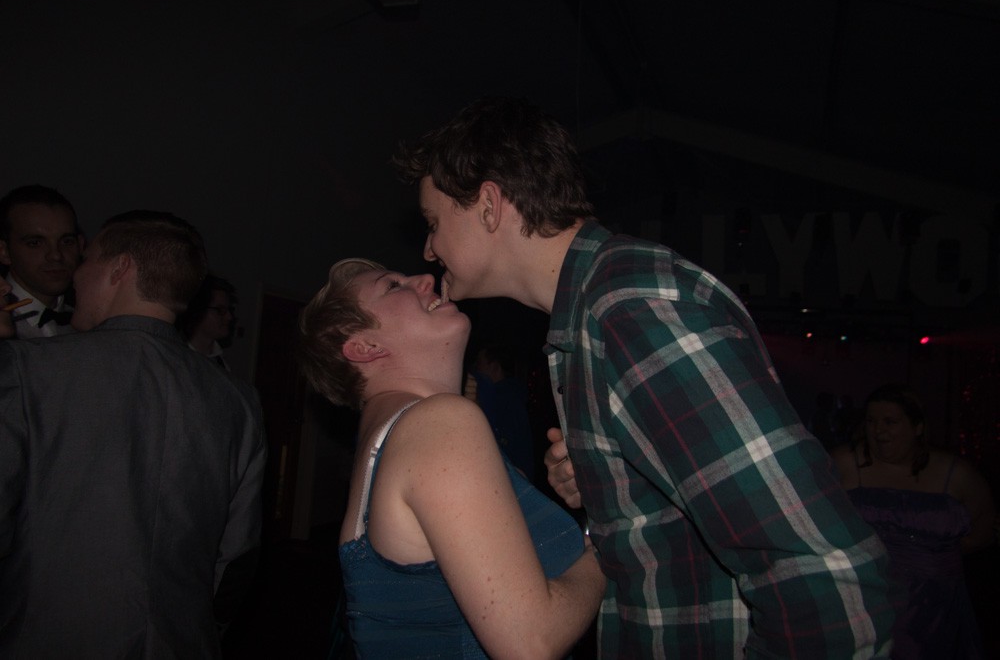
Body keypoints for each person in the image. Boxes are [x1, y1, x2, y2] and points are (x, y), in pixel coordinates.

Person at [394, 96, 895, 658]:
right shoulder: (594, 312)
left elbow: (828, 582)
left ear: (488, 205)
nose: (428, 249)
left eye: (434, 223)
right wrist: (610, 484)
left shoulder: (630, 310)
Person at [297, 258, 605, 658]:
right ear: (365, 347)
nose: (426, 278)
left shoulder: (401, 437)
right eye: (392, 286)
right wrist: (606, 546)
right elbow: (531, 643)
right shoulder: (438, 424)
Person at [0, 211, 267, 657]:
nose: (74, 275)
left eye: (85, 260)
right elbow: (237, 555)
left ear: (119, 268)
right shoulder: (239, 400)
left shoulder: (26, 370)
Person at [831, 383, 995, 659]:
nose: (878, 430)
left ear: (917, 427)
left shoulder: (956, 474)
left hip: (933, 607)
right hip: (866, 598)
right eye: (871, 421)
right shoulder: (844, 463)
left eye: (890, 422)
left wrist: (929, 560)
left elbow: (983, 531)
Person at [0, 184, 84, 338]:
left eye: (67, 241)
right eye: (35, 243)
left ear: (80, 246)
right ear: (4, 251)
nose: (56, 255)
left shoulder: (92, 324)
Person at [470, 342, 536, 480]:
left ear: (494, 366)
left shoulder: (503, 399)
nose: (475, 367)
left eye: (479, 363)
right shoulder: (513, 394)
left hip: (510, 478)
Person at [178, 274, 238, 370]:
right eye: (220, 310)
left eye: (229, 310)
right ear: (198, 310)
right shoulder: (178, 358)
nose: (229, 317)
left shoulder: (220, 362)